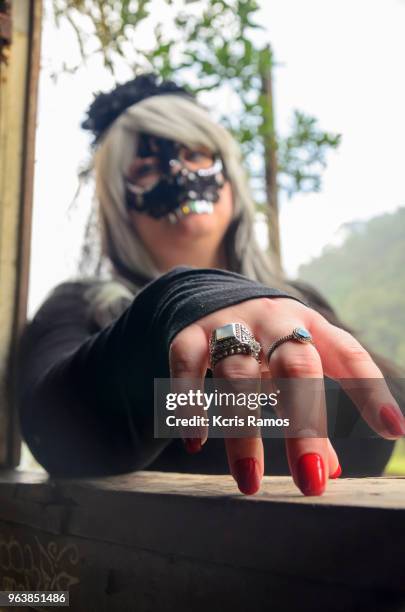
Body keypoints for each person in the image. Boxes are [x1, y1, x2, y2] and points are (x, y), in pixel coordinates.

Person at [15, 73, 405, 497]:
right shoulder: (80, 305)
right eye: (145, 168)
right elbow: (54, 431)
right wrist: (177, 303)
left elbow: (377, 419)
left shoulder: (299, 302)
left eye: (196, 154)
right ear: (118, 203)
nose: (177, 172)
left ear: (233, 181)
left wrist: (172, 406)